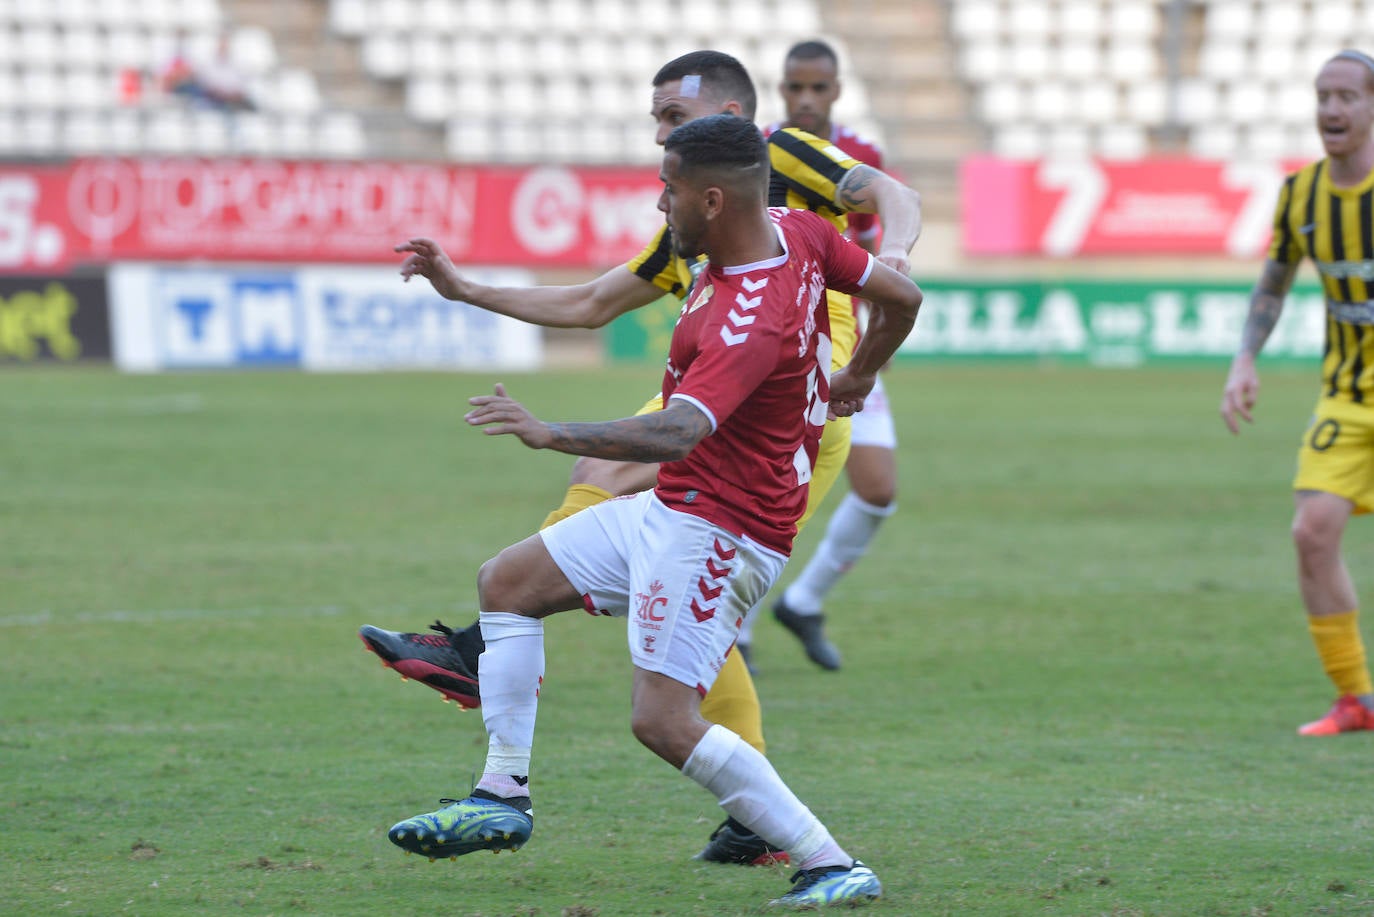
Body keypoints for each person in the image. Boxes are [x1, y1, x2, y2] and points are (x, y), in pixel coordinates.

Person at [359, 49, 921, 864]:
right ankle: (750, 814)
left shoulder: (777, 162)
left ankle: (491, 643)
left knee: (630, 505)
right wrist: (468, 288)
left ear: (728, 114)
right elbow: (592, 301)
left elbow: (891, 194)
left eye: (670, 118)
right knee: (688, 599)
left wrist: (891, 261)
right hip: (750, 386)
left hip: (774, 390)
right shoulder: (695, 219)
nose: (658, 134)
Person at [1220, 49, 1374, 736]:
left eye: (1347, 96)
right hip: (1347, 396)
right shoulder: (1303, 194)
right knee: (1312, 533)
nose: (1332, 109)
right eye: (1323, 96)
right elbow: (1274, 281)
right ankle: (1357, 700)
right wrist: (1245, 358)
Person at [738, 39, 899, 672]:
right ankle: (738, 631)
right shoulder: (763, 151)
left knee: (878, 490)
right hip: (784, 350)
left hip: (848, 348)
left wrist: (878, 341)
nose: (805, 99)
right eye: (794, 88)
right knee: (778, 493)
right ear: (781, 92)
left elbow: (872, 255)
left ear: (836, 91)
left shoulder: (863, 158)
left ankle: (802, 602)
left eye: (818, 88)